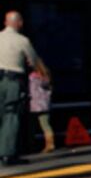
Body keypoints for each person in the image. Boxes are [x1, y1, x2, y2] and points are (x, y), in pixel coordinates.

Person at [0, 11, 42, 166]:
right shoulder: (22, 40)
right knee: (11, 116)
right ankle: (7, 154)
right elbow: (34, 60)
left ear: (5, 22)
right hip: (12, 81)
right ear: (19, 23)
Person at [28, 63, 54, 153]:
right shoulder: (45, 76)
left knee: (36, 124)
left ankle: (47, 144)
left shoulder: (33, 76)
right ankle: (49, 144)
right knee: (45, 124)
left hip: (36, 103)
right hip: (43, 103)